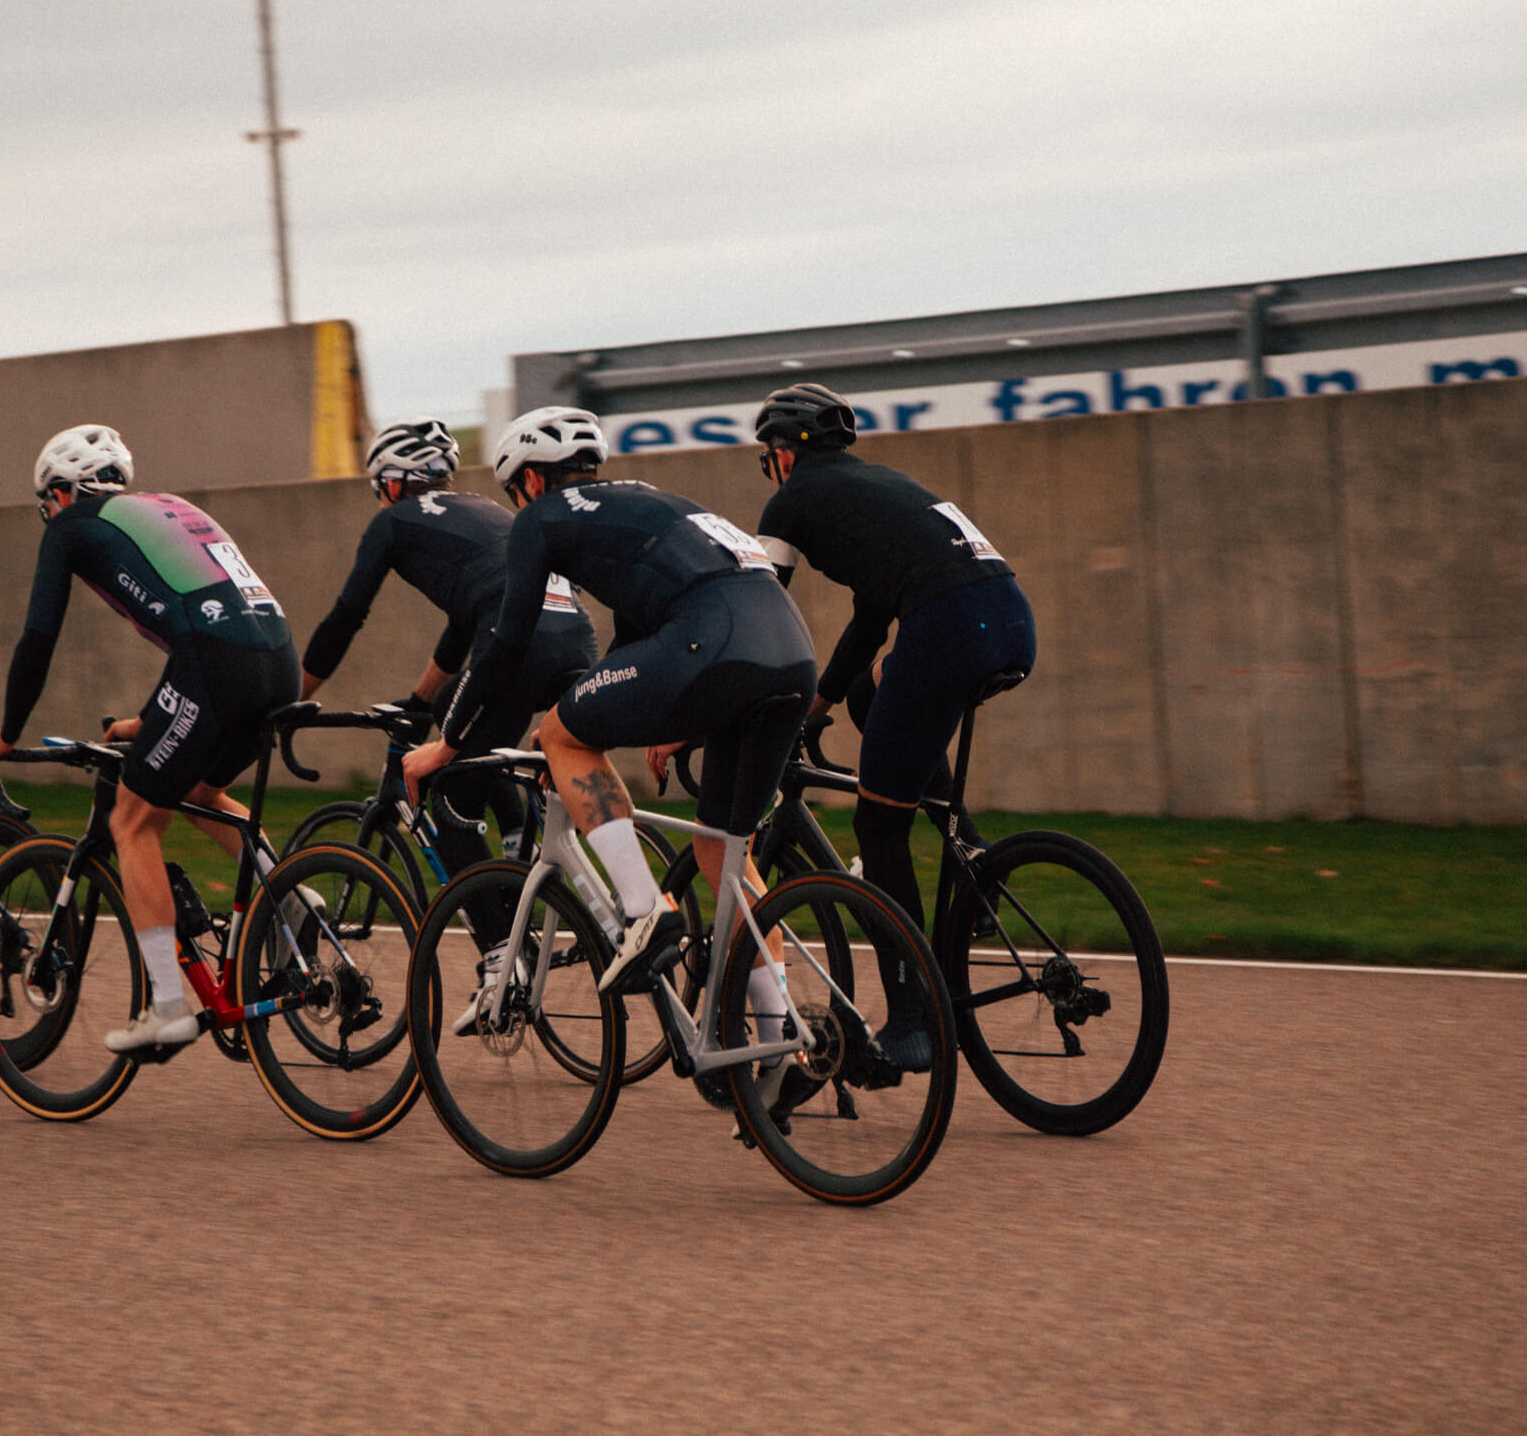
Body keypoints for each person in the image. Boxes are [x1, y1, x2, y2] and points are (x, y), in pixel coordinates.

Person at [399, 407, 817, 1035]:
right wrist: (577, 715)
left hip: (714, 644)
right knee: (724, 852)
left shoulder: (540, 516)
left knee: (563, 735)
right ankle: (779, 1041)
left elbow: (505, 645)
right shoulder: (645, 499)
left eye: (514, 492)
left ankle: (645, 909)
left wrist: (447, 744)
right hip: (791, 655)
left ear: (530, 481)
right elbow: (629, 640)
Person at [0, 425, 298, 1055]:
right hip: (278, 664)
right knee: (200, 791)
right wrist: (149, 722)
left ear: (62, 493)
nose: (49, 514)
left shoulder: (71, 526)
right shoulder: (169, 509)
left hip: (214, 665)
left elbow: (38, 637)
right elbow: (209, 619)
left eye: (47, 503)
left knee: (133, 821)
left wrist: (7, 733)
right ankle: (293, 902)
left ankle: (166, 1008)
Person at [751, 383, 1036, 1068]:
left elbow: (755, 606)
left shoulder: (790, 502)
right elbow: (870, 623)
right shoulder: (883, 486)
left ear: (784, 454)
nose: (770, 468)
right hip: (1011, 622)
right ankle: (972, 852)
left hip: (947, 631)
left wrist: (749, 702)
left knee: (879, 829)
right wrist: (819, 705)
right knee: (868, 699)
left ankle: (913, 1021)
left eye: (768, 457)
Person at [300, 419, 597, 872]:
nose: (379, 498)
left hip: (515, 647)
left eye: (378, 488)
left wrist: (296, 699)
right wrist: (420, 702)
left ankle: (491, 918)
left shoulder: (393, 520)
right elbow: (463, 626)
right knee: (452, 711)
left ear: (393, 484)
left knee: (449, 797)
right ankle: (516, 844)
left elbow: (345, 618)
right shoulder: (481, 507)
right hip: (576, 639)